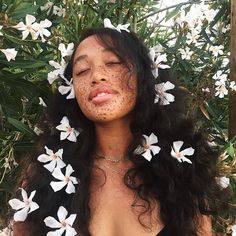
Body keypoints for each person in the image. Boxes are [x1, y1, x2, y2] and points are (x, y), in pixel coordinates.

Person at [9, 25, 221, 236]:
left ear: (143, 75)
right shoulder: (44, 175)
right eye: (82, 70)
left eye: (113, 62)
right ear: (72, 90)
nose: (97, 76)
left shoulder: (183, 171)